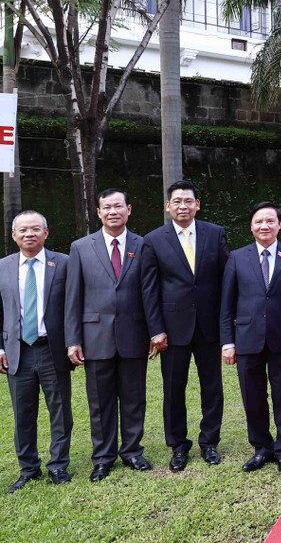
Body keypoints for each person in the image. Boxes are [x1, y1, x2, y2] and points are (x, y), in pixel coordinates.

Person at [65, 188, 153, 482]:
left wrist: (155, 332)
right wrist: (73, 339)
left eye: (119, 206)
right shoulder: (80, 247)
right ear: (99, 212)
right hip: (94, 336)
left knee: (133, 397)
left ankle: (132, 451)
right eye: (107, 207)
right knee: (100, 402)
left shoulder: (143, 245)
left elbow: (150, 293)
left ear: (129, 210)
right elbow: (73, 297)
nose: (113, 211)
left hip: (134, 334)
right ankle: (103, 458)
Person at [142, 180, 229, 472]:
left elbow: (224, 282)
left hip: (209, 327)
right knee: (173, 390)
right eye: (177, 201)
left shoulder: (215, 234)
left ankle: (209, 443)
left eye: (188, 201)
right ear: (168, 206)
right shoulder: (153, 240)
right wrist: (155, 330)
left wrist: (226, 325)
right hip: (172, 329)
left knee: (212, 388)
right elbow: (150, 289)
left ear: (197, 205)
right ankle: (178, 446)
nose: (183, 206)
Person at [220, 202, 281, 478]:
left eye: (270, 221)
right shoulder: (237, 257)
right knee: (253, 397)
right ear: (251, 226)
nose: (264, 226)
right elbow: (226, 304)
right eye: (259, 221)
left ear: (279, 225)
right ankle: (261, 448)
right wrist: (227, 342)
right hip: (246, 339)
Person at [0, 211, 72, 492]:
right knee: (23, 413)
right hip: (18, 351)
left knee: (60, 411)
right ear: (14, 235)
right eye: (23, 230)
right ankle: (29, 468)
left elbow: (73, 305)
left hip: (51, 349)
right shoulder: (3, 267)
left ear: (46, 232)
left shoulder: (63, 263)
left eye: (35, 229)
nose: (29, 234)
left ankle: (58, 466)